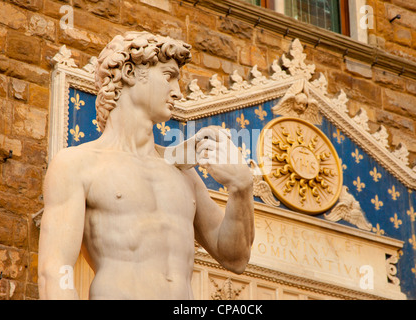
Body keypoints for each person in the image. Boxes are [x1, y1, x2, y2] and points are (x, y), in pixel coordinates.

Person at [38, 31, 255, 300]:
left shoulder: (181, 171)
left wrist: (242, 188)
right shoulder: (78, 164)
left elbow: (235, 258)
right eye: (168, 77)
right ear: (129, 72)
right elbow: (55, 270)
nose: (177, 93)